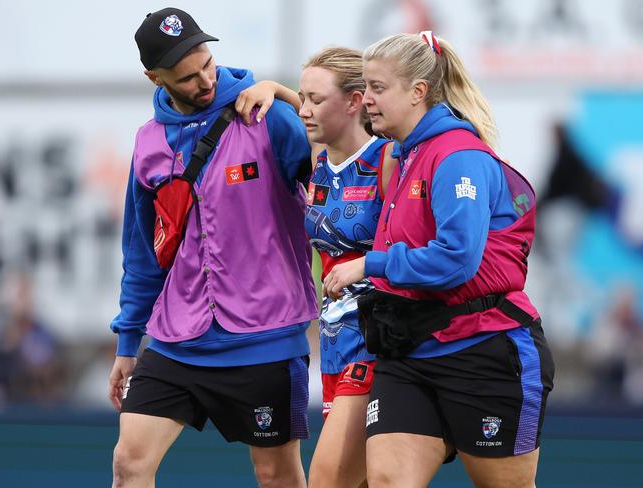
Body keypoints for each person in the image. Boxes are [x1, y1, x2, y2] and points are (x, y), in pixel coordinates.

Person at [323, 32, 555, 487]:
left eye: (377, 87)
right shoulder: (403, 152)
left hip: (483, 349)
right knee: (388, 480)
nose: (365, 99)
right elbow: (322, 118)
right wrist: (272, 91)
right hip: (409, 351)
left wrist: (370, 264)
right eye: (364, 87)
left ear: (418, 92)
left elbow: (456, 261)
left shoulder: (457, 157)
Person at [108, 8, 317, 488]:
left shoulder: (270, 118)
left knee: (277, 476)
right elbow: (142, 253)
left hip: (265, 337)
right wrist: (127, 342)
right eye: (186, 76)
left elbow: (341, 164)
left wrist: (284, 93)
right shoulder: (148, 142)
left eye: (207, 63)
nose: (205, 79)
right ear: (153, 78)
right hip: (175, 338)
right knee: (128, 464)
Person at [236, 47, 396, 488]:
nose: (303, 110)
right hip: (332, 341)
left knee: (327, 479)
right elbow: (308, 107)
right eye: (301, 98)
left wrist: (366, 269)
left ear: (355, 101)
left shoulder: (387, 161)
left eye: (315, 100)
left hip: (378, 340)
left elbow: (416, 249)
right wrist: (272, 88)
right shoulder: (318, 161)